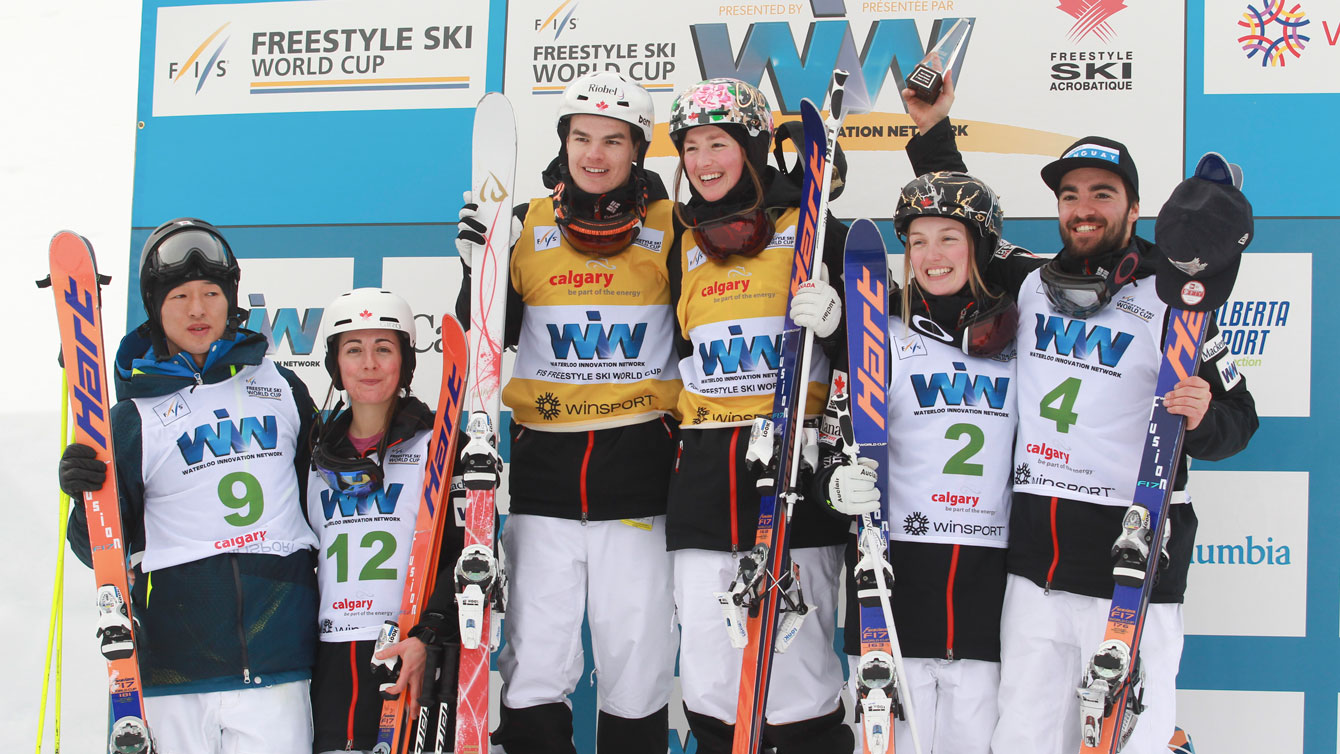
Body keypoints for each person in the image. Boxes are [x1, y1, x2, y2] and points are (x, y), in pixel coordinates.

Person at [988, 142, 1259, 753]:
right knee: (1024, 738)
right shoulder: (1029, 283)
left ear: (1135, 209)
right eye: (1070, 195)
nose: (1084, 209)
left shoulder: (1177, 298)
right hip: (1036, 569)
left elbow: (1241, 419)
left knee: (1136, 740)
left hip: (1134, 564)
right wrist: (930, 133)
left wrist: (1203, 416)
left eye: (1103, 195)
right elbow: (954, 232)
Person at [454, 71, 681, 752]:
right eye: (582, 137)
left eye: (614, 140)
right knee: (535, 660)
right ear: (564, 143)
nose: (595, 154)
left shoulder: (674, 227)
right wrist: (477, 267)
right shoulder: (525, 224)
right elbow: (487, 339)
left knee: (637, 662)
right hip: (545, 477)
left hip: (638, 474)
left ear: (638, 149)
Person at [57, 218, 320, 754]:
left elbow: (325, 498)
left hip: (278, 663)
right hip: (173, 667)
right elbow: (97, 549)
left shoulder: (282, 385)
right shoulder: (131, 417)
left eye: (210, 293)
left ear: (231, 300)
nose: (198, 310)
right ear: (156, 306)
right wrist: (85, 494)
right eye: (180, 295)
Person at [664, 77, 853, 754]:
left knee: (798, 662)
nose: (704, 159)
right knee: (711, 665)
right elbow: (674, 354)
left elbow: (875, 359)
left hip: (795, 461)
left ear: (750, 147)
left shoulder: (812, 226)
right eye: (691, 147)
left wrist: (837, 327)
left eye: (719, 142)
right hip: (707, 467)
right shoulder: (680, 242)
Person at [820, 171, 1025, 753]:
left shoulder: (1021, 339)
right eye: (916, 241)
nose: (931, 256)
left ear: (981, 247)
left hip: (990, 587)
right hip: (895, 580)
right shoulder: (877, 333)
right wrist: (837, 487)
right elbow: (837, 446)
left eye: (948, 238)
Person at [307, 288, 467, 754]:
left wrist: (428, 636)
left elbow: (467, 553)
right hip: (330, 654)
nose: (369, 364)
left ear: (405, 362)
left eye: (383, 348)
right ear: (336, 365)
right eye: (353, 350)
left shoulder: (437, 444)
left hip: (411, 648)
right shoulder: (314, 457)